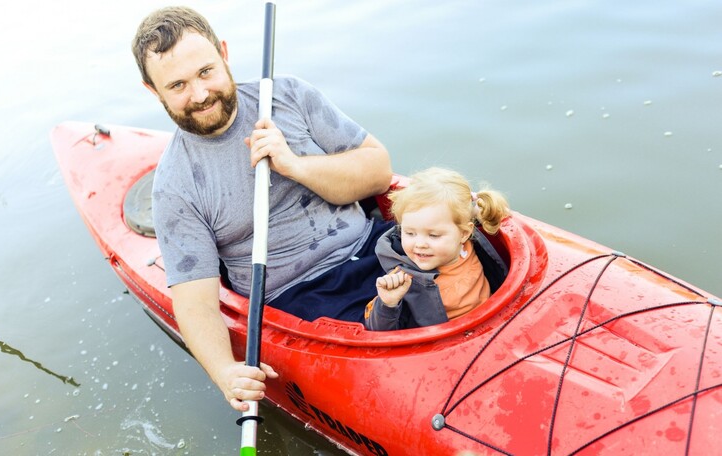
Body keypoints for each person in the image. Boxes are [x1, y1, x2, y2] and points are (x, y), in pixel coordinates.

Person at [131, 6, 393, 411]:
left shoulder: (288, 96)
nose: (199, 95)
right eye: (178, 85)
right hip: (300, 301)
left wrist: (296, 166)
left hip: (375, 248)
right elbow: (196, 304)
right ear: (153, 90)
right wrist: (225, 372)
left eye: (205, 72)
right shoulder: (175, 188)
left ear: (224, 52)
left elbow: (378, 173)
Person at [364, 167, 509, 330]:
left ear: (464, 234)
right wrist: (388, 303)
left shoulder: (465, 235)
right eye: (410, 233)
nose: (420, 244)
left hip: (492, 317)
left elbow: (471, 213)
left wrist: (479, 210)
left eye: (433, 236)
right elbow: (376, 329)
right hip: (453, 341)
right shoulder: (403, 279)